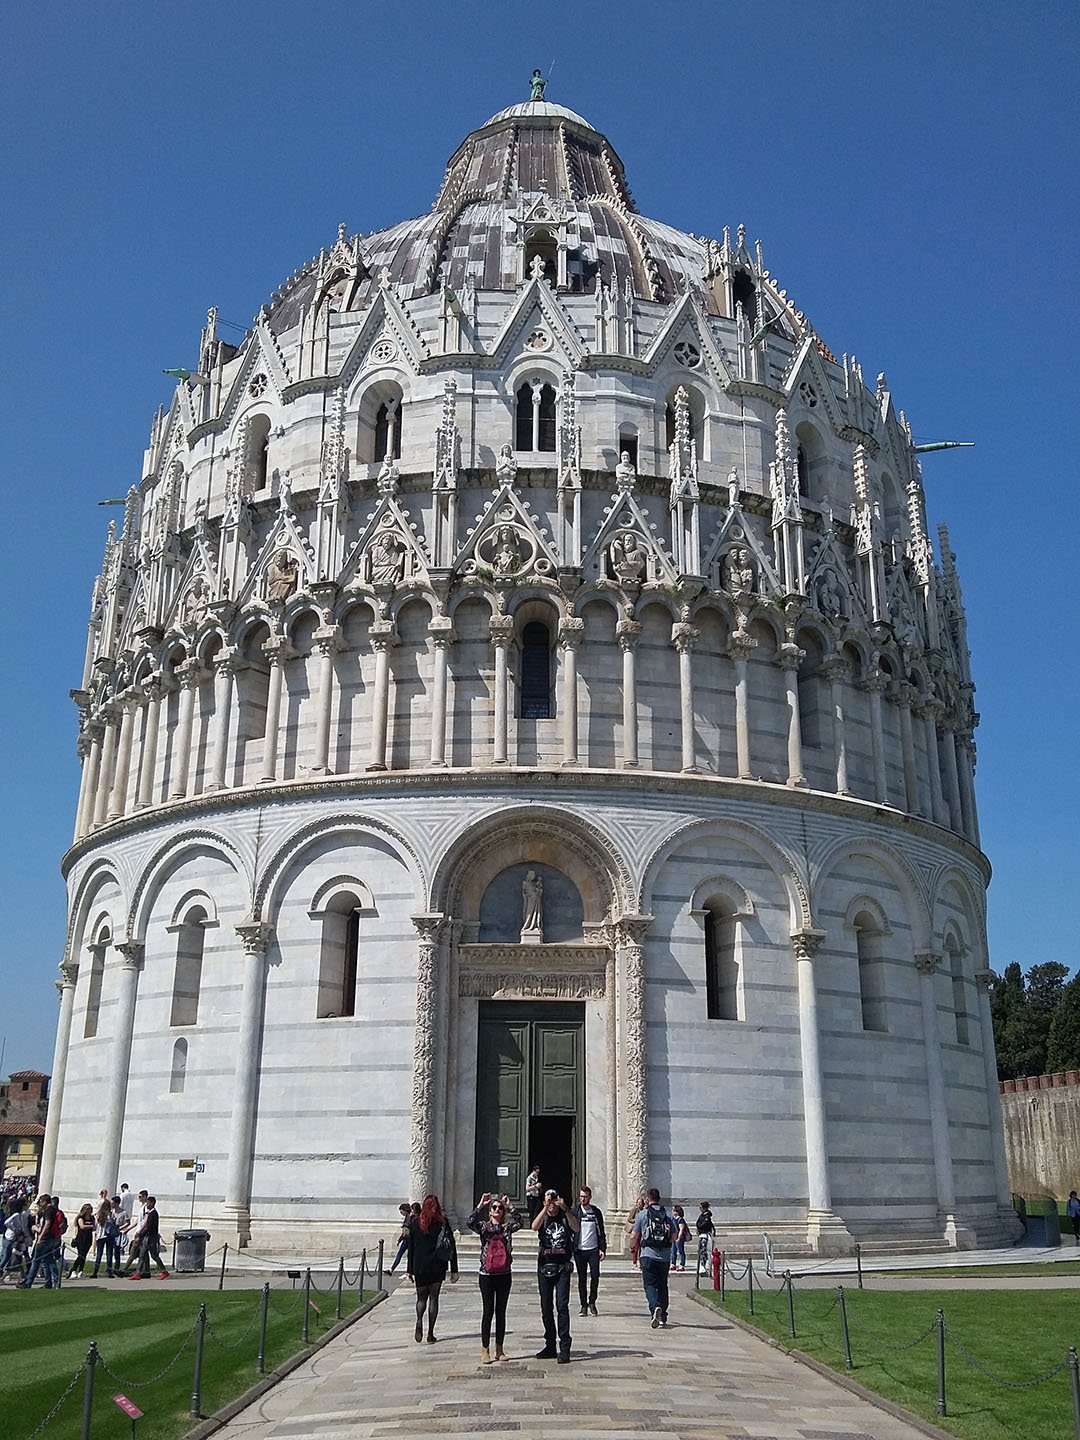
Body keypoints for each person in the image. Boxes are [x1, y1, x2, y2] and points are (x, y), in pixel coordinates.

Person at [468, 1191, 523, 1365]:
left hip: (504, 1274)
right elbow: (469, 1222)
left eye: (500, 1207)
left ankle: (499, 1349)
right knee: (488, 1311)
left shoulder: (507, 1228)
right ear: (490, 1211)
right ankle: (485, 1349)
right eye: (494, 1207)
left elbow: (521, 1222)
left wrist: (511, 1206)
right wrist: (480, 1205)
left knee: (501, 1312)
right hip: (487, 1274)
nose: (498, 1209)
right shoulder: (484, 1228)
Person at [532, 1189, 579, 1363]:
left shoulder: (566, 1216)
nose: (551, 1201)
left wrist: (566, 1209)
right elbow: (534, 1227)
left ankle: (565, 1347)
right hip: (544, 1267)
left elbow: (576, 1228)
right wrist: (544, 1208)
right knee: (545, 1308)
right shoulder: (543, 1216)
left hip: (562, 1268)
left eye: (553, 1198)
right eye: (548, 1198)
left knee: (561, 1306)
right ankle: (550, 1345)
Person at [406, 1194, 458, 1343]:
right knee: (434, 1298)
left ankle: (418, 1320)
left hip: (420, 1266)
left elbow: (411, 1249)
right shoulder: (442, 1223)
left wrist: (409, 1270)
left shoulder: (415, 1223)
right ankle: (430, 1333)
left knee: (421, 1298)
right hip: (437, 1265)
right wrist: (454, 1269)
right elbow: (451, 1246)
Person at [632, 1187, 676, 1328]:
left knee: (649, 1285)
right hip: (664, 1257)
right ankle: (663, 1315)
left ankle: (654, 1307)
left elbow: (634, 1235)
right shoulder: (667, 1215)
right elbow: (674, 1236)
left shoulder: (643, 1214)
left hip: (647, 1255)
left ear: (647, 1199)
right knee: (662, 1285)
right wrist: (667, 1243)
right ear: (659, 1198)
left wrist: (632, 1248)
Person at [572, 1185, 606, 1316]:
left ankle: (592, 1301)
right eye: (581, 1196)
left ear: (590, 1197)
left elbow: (601, 1231)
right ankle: (583, 1305)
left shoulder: (596, 1212)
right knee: (581, 1278)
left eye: (585, 1197)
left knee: (595, 1275)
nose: (582, 1199)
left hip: (593, 1249)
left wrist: (602, 1248)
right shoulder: (575, 1211)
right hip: (580, 1250)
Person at [19, 1193, 65, 1290]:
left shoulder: (48, 1211)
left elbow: (47, 1224)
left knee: (36, 1260)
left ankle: (28, 1282)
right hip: (52, 1238)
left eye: (41, 1202)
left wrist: (40, 1235)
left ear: (45, 1201)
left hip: (45, 1239)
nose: (40, 1204)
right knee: (49, 1260)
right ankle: (54, 1282)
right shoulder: (53, 1210)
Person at [128, 1196, 169, 1280]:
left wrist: (141, 1234)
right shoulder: (149, 1213)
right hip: (147, 1237)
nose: (147, 1204)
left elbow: (149, 1227)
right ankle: (138, 1273)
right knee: (142, 1254)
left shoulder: (154, 1214)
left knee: (154, 1256)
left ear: (152, 1203)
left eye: (148, 1203)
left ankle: (164, 1271)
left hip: (151, 1237)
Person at [92, 1196, 122, 1278]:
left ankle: (95, 1271)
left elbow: (96, 1225)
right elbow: (115, 1223)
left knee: (99, 1254)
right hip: (109, 1236)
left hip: (100, 1236)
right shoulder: (111, 1215)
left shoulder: (98, 1215)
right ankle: (109, 1271)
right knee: (109, 1254)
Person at [390, 1202, 419, 1273]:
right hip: (406, 1239)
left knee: (408, 1256)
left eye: (401, 1211)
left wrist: (400, 1239)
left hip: (409, 1240)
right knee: (401, 1254)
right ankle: (392, 1269)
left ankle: (409, 1271)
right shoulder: (408, 1217)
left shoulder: (410, 1217)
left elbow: (407, 1229)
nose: (401, 1213)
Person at [69, 1203, 96, 1276]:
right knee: (81, 1254)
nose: (90, 1211)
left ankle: (81, 1270)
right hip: (81, 1238)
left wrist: (92, 1226)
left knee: (84, 1255)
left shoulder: (92, 1218)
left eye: (91, 1209)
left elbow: (94, 1227)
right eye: (88, 1209)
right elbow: (82, 1226)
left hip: (88, 1237)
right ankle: (73, 1270)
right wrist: (91, 1226)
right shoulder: (80, 1218)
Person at [695, 1200, 716, 1273]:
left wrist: (699, 1226)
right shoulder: (702, 1215)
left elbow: (704, 1225)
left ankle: (704, 1265)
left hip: (705, 1234)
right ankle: (702, 1265)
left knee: (704, 1250)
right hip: (701, 1234)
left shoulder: (707, 1216)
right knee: (701, 1250)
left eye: (700, 1207)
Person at [670, 1205, 691, 1272]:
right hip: (674, 1237)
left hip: (679, 1237)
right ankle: (673, 1263)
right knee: (673, 1251)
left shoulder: (680, 1219)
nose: (672, 1211)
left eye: (674, 1210)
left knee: (681, 1251)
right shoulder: (673, 1218)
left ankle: (682, 1264)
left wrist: (679, 1237)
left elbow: (681, 1229)